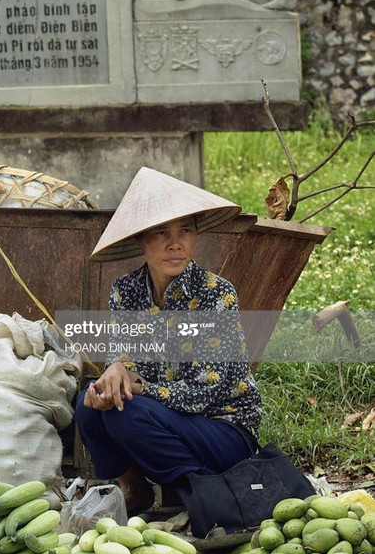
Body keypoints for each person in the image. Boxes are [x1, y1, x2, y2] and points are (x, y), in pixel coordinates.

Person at [74, 167, 261, 516]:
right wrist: (114, 371)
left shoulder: (215, 295)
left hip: (224, 427)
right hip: (166, 418)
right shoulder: (126, 291)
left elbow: (207, 393)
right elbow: (124, 355)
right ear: (139, 240)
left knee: (126, 412)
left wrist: (139, 388)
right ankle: (135, 491)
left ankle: (200, 494)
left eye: (185, 231)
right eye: (161, 232)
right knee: (90, 403)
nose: (176, 243)